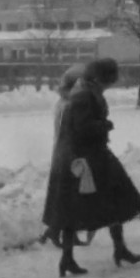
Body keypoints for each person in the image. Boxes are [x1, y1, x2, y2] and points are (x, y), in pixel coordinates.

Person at [52, 58, 140, 277]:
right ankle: (69, 258)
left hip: (90, 155)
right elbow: (82, 127)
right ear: (101, 77)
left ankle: (118, 249)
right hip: (85, 159)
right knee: (80, 208)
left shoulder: (86, 90)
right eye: (109, 80)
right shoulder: (84, 95)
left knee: (112, 202)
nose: (109, 85)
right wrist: (105, 125)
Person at [40, 64, 94, 249]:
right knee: (67, 196)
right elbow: (69, 132)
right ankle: (55, 231)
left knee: (70, 196)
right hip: (68, 155)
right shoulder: (67, 105)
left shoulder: (65, 102)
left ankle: (64, 231)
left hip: (67, 153)